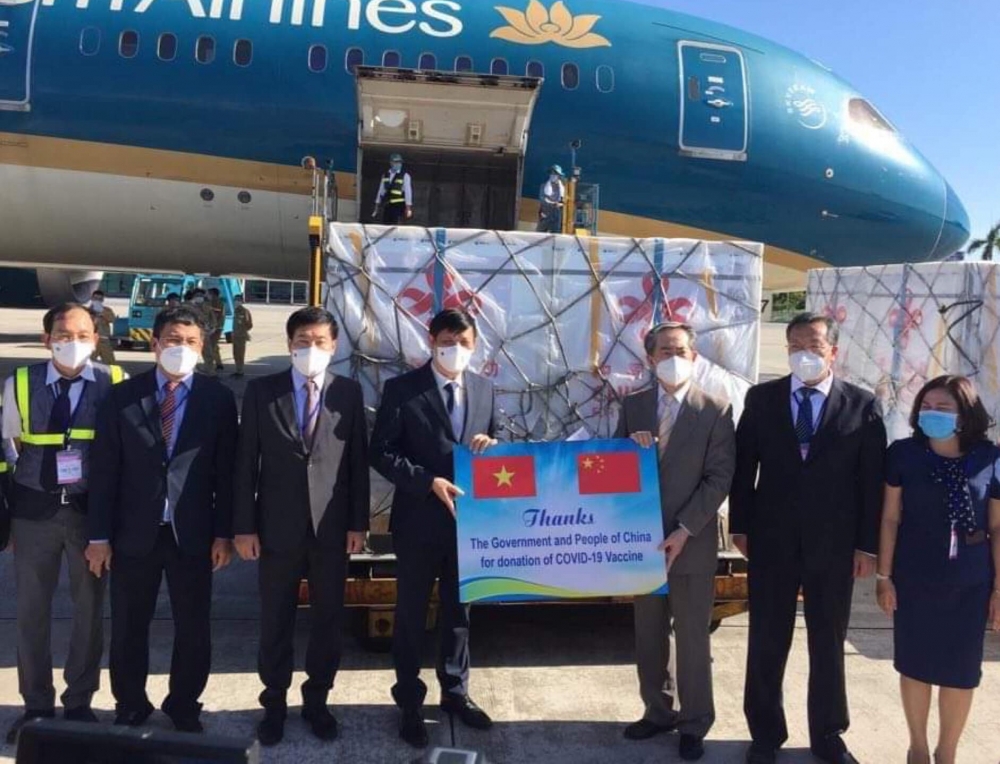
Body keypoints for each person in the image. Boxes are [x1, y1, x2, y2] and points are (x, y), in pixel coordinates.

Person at [730, 312, 887, 764]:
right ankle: (765, 735)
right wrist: (740, 526)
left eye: (814, 345)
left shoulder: (862, 405)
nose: (805, 353)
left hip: (834, 546)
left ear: (833, 351)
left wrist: (867, 546)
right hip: (770, 541)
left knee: (828, 641)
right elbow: (744, 467)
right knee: (766, 638)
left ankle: (829, 734)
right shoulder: (762, 399)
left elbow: (871, 481)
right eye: (796, 345)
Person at [85, 305, 237, 733]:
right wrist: (99, 536)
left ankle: (184, 703)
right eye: (172, 340)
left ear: (203, 348)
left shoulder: (218, 399)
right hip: (133, 532)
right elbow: (105, 471)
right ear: (154, 344)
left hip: (193, 533)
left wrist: (223, 533)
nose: (180, 348)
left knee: (193, 626)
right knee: (129, 625)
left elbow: (227, 474)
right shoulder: (122, 397)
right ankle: (131, 702)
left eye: (190, 342)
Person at [233, 307, 370, 747]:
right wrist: (244, 527)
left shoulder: (348, 393)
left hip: (331, 531)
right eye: (303, 341)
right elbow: (245, 465)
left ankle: (317, 701)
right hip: (276, 530)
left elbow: (357, 464)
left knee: (328, 621)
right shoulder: (262, 392)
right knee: (276, 621)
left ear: (334, 346)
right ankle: (274, 703)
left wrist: (358, 524)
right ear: (289, 344)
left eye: (320, 342)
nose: (311, 349)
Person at [369, 308, 498, 748]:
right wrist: (427, 481)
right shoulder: (402, 390)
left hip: (469, 524)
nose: (455, 349)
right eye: (447, 341)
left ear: (474, 345)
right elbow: (381, 452)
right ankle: (408, 701)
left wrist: (492, 445)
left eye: (463, 342)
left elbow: (493, 442)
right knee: (410, 615)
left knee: (460, 613)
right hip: (418, 522)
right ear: (431, 341)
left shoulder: (484, 389)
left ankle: (455, 692)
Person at [1, 303, 125, 744]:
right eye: (63, 334)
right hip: (34, 513)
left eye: (83, 335)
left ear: (96, 339)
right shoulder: (19, 382)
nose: (73, 342)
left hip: (90, 516)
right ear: (46, 339)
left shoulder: (113, 381)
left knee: (89, 610)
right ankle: (36, 705)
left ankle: (79, 703)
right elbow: (7, 449)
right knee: (31, 612)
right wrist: (6, 520)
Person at [614, 322, 736, 762]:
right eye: (664, 351)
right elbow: (609, 468)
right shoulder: (634, 406)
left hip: (691, 540)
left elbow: (719, 477)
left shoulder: (715, 410)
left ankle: (695, 721)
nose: (673, 357)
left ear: (695, 356)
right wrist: (629, 448)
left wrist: (684, 530)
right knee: (648, 634)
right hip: (643, 542)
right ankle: (657, 710)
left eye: (681, 350)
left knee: (692, 638)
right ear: (650, 359)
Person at [876, 376, 1000, 764]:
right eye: (926, 407)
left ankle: (947, 752)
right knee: (915, 665)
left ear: (965, 414)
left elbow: (997, 526)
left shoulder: (990, 458)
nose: (932, 414)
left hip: (970, 582)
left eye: (943, 408)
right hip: (915, 577)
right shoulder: (903, 454)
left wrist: (999, 587)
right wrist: (883, 577)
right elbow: (890, 517)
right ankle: (917, 748)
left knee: (961, 671)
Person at [372, 153, 413, 224]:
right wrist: (377, 206)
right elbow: (381, 191)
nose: (398, 164)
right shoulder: (385, 175)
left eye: (400, 162)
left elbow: (408, 192)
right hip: (387, 205)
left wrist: (408, 208)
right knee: (386, 225)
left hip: (399, 206)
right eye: (396, 162)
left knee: (396, 226)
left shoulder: (405, 175)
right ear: (391, 162)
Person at [188, 289, 217, 377]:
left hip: (204, 333)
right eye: (197, 296)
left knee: (208, 353)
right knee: (191, 352)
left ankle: (210, 371)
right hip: (192, 333)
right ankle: (191, 370)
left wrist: (213, 327)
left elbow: (213, 318)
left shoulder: (207, 306)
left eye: (201, 296)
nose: (199, 298)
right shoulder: (189, 306)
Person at [89, 290, 117, 364]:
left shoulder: (107, 310)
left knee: (111, 363)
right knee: (87, 363)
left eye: (99, 299)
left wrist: (102, 312)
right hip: (91, 341)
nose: (97, 301)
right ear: (92, 298)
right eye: (95, 298)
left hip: (104, 340)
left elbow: (112, 319)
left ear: (102, 300)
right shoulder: (87, 311)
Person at [535, 165, 566, 233]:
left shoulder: (563, 188)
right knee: (540, 233)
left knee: (555, 234)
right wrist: (553, 203)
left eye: (555, 174)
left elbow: (564, 202)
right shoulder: (543, 186)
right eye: (551, 173)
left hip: (556, 215)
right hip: (545, 213)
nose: (553, 175)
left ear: (559, 176)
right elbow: (542, 199)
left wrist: (561, 204)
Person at [231, 294, 253, 377]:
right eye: (235, 300)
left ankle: (240, 371)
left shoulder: (245, 311)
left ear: (241, 301)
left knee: (240, 354)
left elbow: (249, 324)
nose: (236, 302)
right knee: (235, 353)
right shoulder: (235, 311)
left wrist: (243, 331)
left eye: (238, 300)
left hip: (241, 336)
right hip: (235, 335)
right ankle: (237, 369)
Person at [207, 287, 225, 373]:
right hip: (215, 326)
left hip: (216, 327)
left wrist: (211, 326)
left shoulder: (216, 302)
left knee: (211, 346)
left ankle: (210, 365)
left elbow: (216, 314)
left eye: (208, 293)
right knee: (214, 346)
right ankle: (218, 363)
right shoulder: (212, 302)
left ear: (213, 294)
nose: (207, 295)